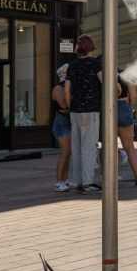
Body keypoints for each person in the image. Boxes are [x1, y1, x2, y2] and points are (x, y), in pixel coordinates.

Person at [64, 35, 103, 193]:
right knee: (88, 147)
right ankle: (87, 183)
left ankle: (76, 181)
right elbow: (105, 82)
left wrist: (69, 107)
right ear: (90, 47)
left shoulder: (71, 66)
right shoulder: (96, 64)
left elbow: (67, 90)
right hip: (91, 110)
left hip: (75, 111)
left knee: (77, 146)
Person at [117, 72, 137, 186]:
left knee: (109, 148)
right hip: (124, 106)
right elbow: (133, 96)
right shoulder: (125, 74)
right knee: (130, 148)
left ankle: (111, 177)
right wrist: (129, 107)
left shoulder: (102, 74)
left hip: (108, 108)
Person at [51, 64, 72, 192]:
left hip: (67, 122)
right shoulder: (58, 88)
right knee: (65, 152)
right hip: (61, 123)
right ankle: (59, 181)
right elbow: (64, 106)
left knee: (68, 153)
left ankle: (64, 179)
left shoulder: (67, 87)